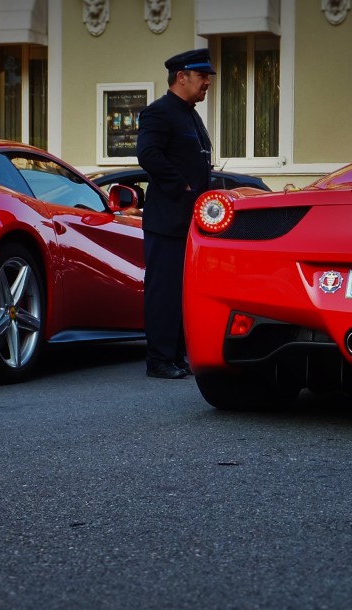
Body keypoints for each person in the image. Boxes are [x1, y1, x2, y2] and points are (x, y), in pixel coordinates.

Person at [136, 48, 215, 379]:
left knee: (183, 292)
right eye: (202, 77)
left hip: (189, 222)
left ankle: (178, 355)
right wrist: (180, 186)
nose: (207, 83)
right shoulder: (159, 112)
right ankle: (159, 359)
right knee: (163, 291)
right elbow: (148, 154)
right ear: (181, 77)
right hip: (167, 219)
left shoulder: (190, 113)